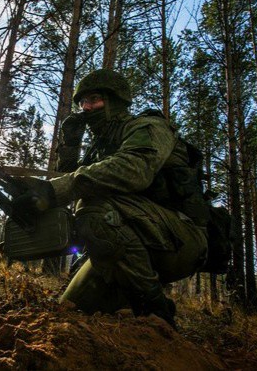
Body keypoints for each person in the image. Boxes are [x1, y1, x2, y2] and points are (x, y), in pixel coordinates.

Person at [15, 69, 209, 328]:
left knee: (93, 208)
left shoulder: (149, 127)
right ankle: (126, 303)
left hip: (182, 238)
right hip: (131, 235)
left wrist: (53, 191)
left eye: (94, 99)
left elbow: (133, 169)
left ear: (115, 99)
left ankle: (156, 313)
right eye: (83, 103)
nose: (87, 108)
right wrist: (70, 145)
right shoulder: (100, 148)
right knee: (73, 308)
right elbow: (72, 180)